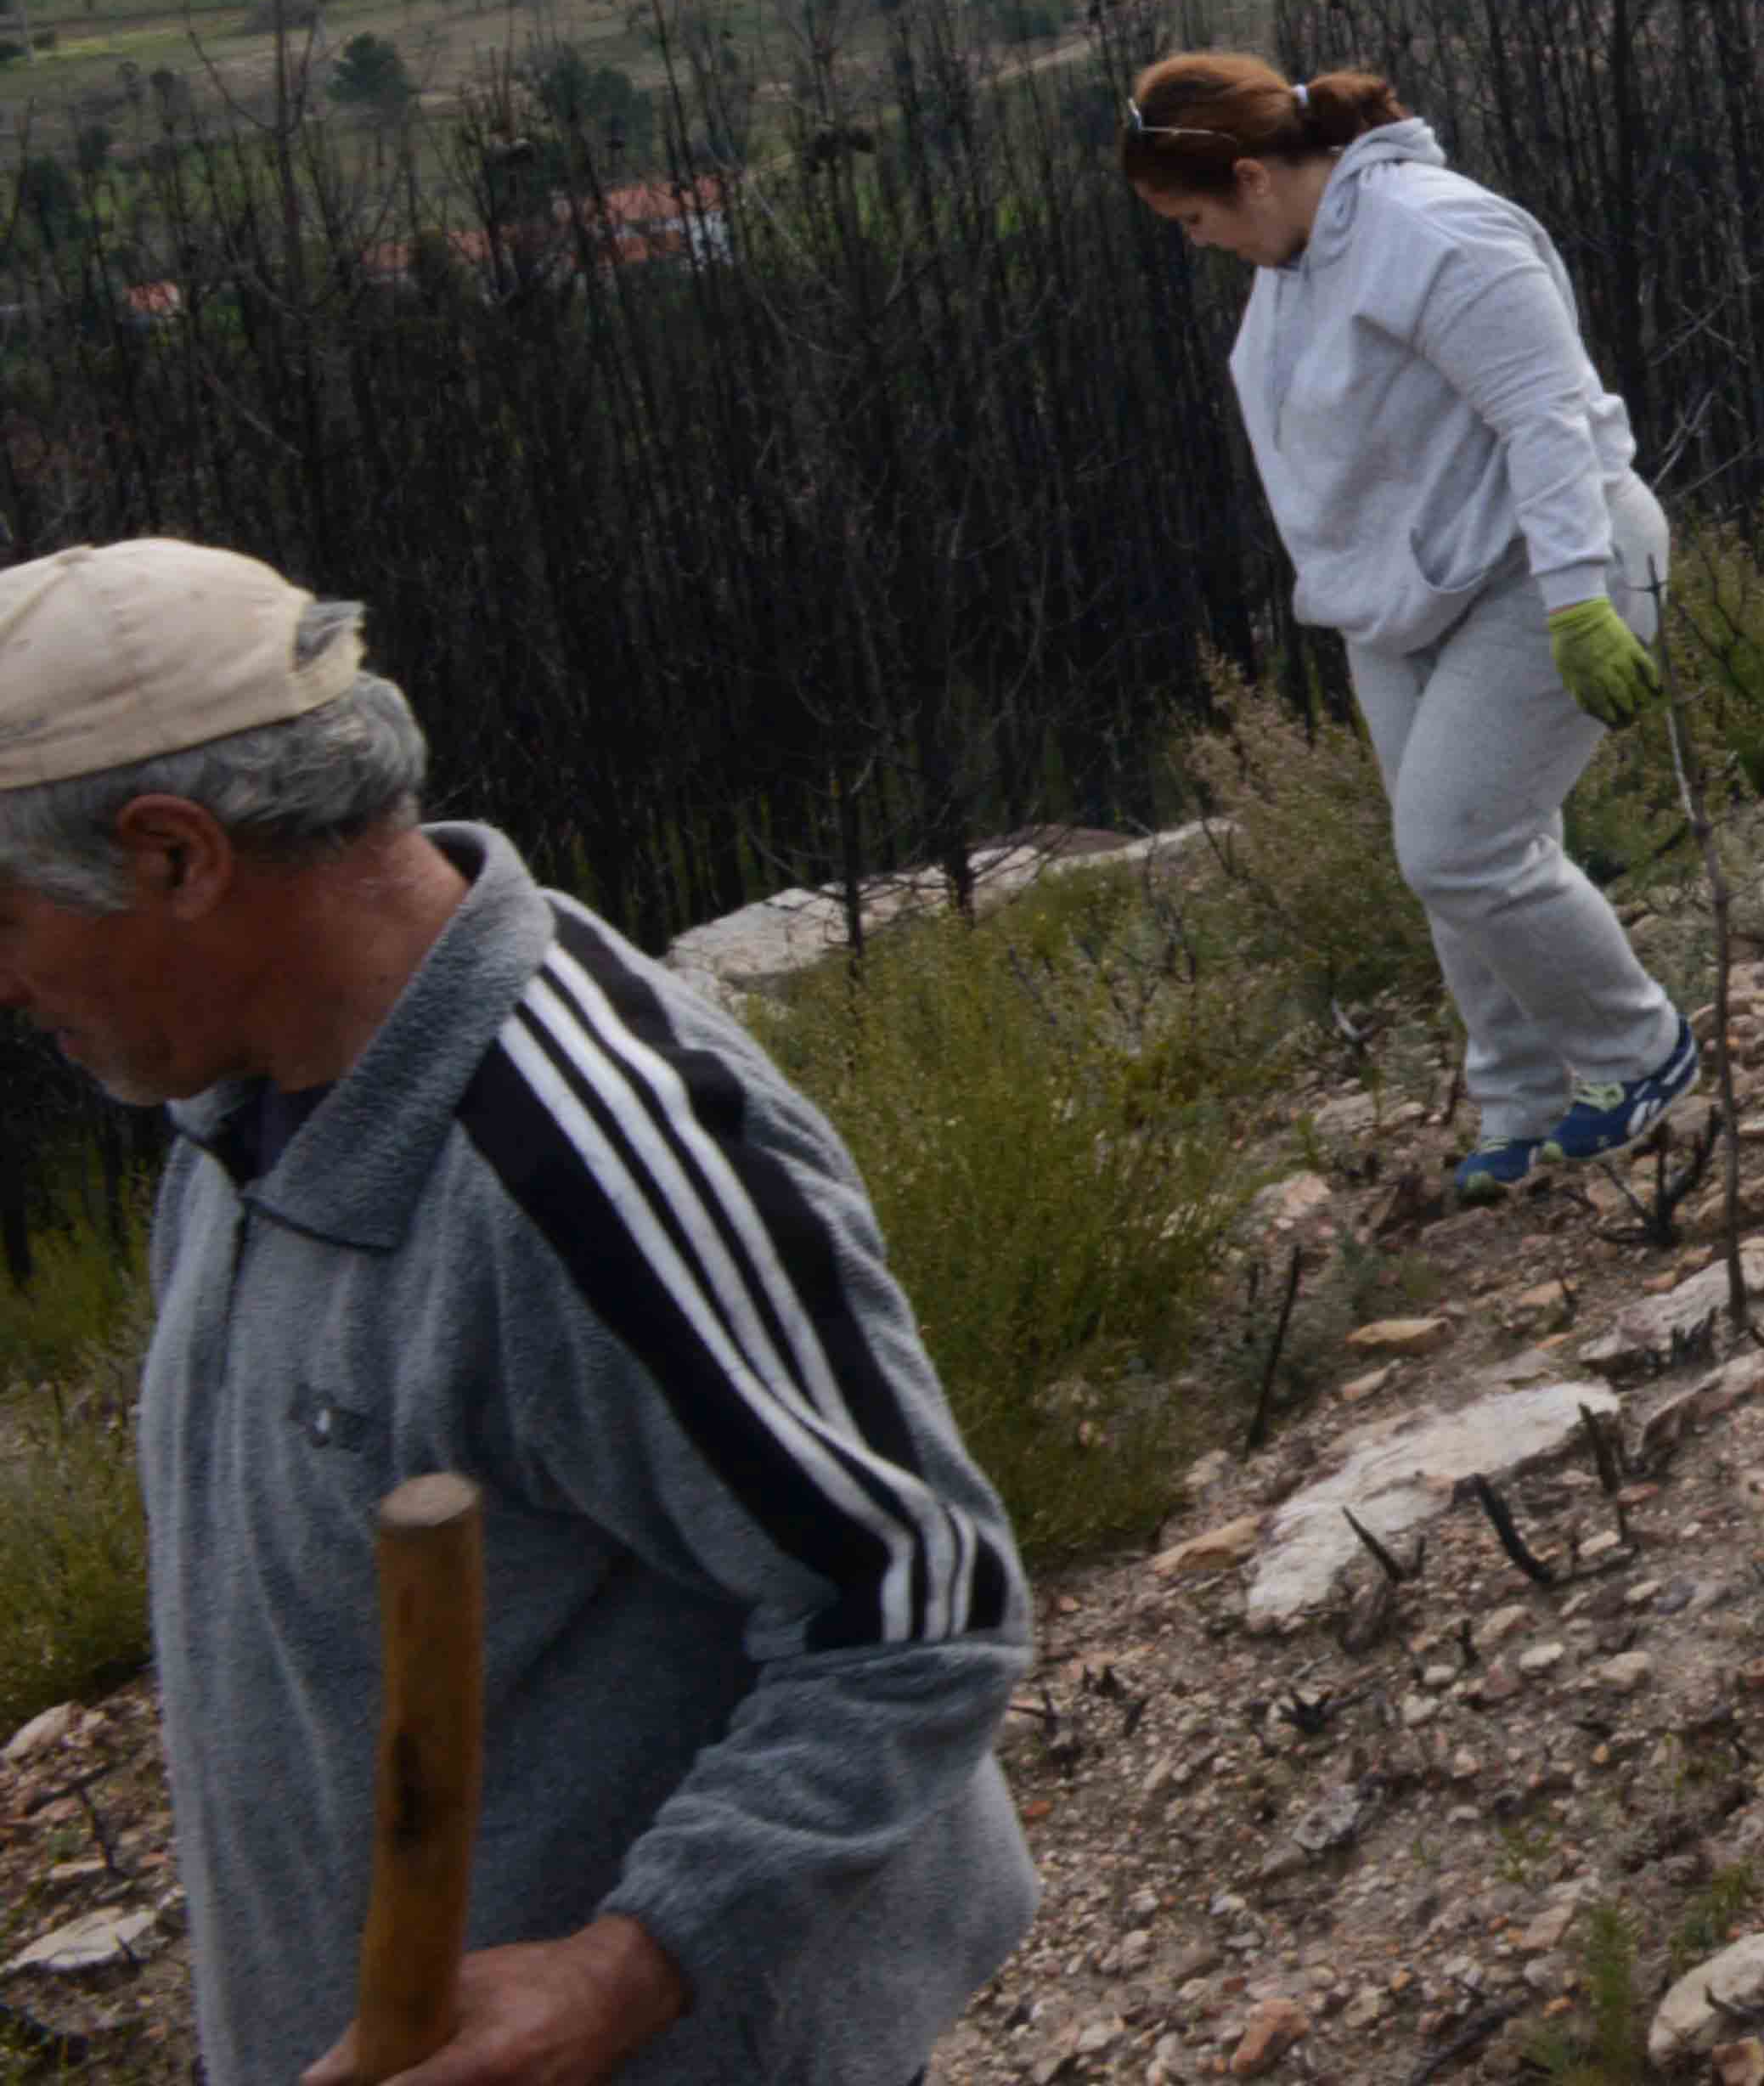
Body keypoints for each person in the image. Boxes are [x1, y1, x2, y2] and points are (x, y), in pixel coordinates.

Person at [0, 538, 1032, 2086]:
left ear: (174, 856)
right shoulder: (234, 1100)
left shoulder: (590, 1155)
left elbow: (918, 1601)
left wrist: (626, 1969)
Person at [1119, 54, 1698, 1200]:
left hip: (1544, 567)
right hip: (1399, 604)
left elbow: (1544, 422)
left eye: (1193, 218)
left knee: (1463, 847)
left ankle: (1639, 1051)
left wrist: (1582, 598)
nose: (1195, 243)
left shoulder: (1438, 235)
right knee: (1447, 868)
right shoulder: (1296, 257)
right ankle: (1524, 1099)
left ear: (1252, 175)